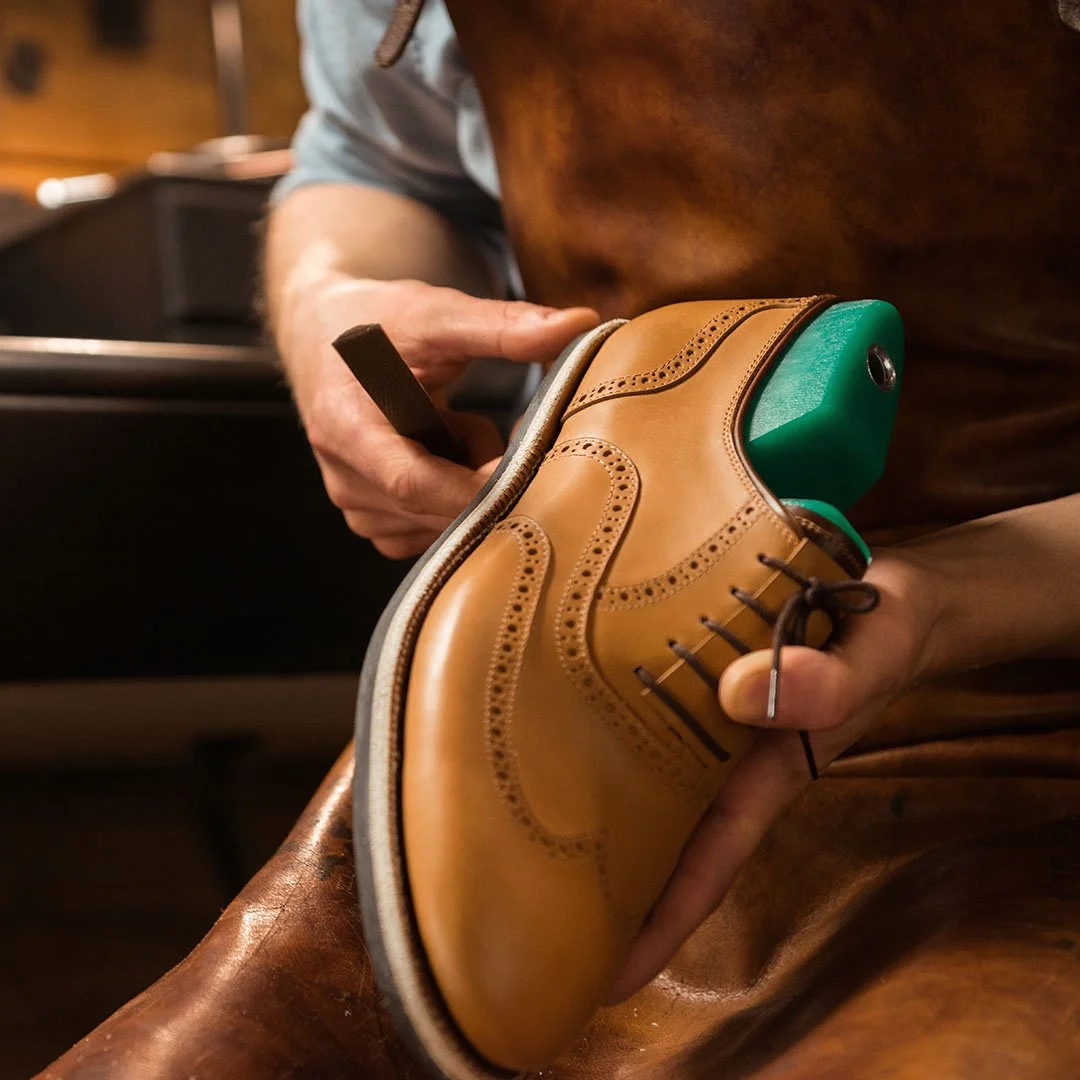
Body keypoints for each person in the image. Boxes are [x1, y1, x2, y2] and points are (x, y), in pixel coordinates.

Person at [41, 1, 1080, 1076]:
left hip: (1046, 714)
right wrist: (331, 310)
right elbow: (375, 155)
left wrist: (953, 595)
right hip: (584, 678)